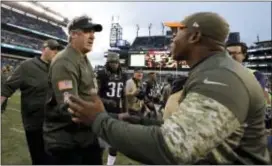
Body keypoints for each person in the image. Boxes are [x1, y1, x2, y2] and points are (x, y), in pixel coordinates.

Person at [67, 12, 271, 164]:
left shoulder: (222, 76)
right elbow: (196, 131)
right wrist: (142, 122)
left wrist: (98, 120)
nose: (172, 39)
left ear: (194, 36)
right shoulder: (213, 70)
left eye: (178, 32)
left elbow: (174, 148)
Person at [43, 15, 104, 165]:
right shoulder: (65, 61)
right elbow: (70, 107)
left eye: (93, 33)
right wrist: (104, 118)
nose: (92, 36)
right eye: (87, 31)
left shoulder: (82, 58)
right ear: (73, 34)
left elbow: (88, 93)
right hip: (68, 142)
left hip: (84, 138)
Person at [1, 39, 62, 165]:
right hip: (34, 123)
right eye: (53, 49)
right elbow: (7, 87)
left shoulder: (57, 69)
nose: (56, 52)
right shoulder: (27, 66)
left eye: (58, 50)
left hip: (54, 122)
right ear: (43, 49)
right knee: (40, 159)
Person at [96, 52, 127, 165]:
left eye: (116, 62)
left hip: (117, 112)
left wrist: (125, 111)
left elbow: (124, 96)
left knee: (114, 142)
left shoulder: (123, 75)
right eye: (112, 62)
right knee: (100, 142)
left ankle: (110, 164)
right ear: (108, 63)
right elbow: (95, 95)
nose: (114, 65)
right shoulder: (102, 74)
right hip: (103, 111)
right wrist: (106, 101)